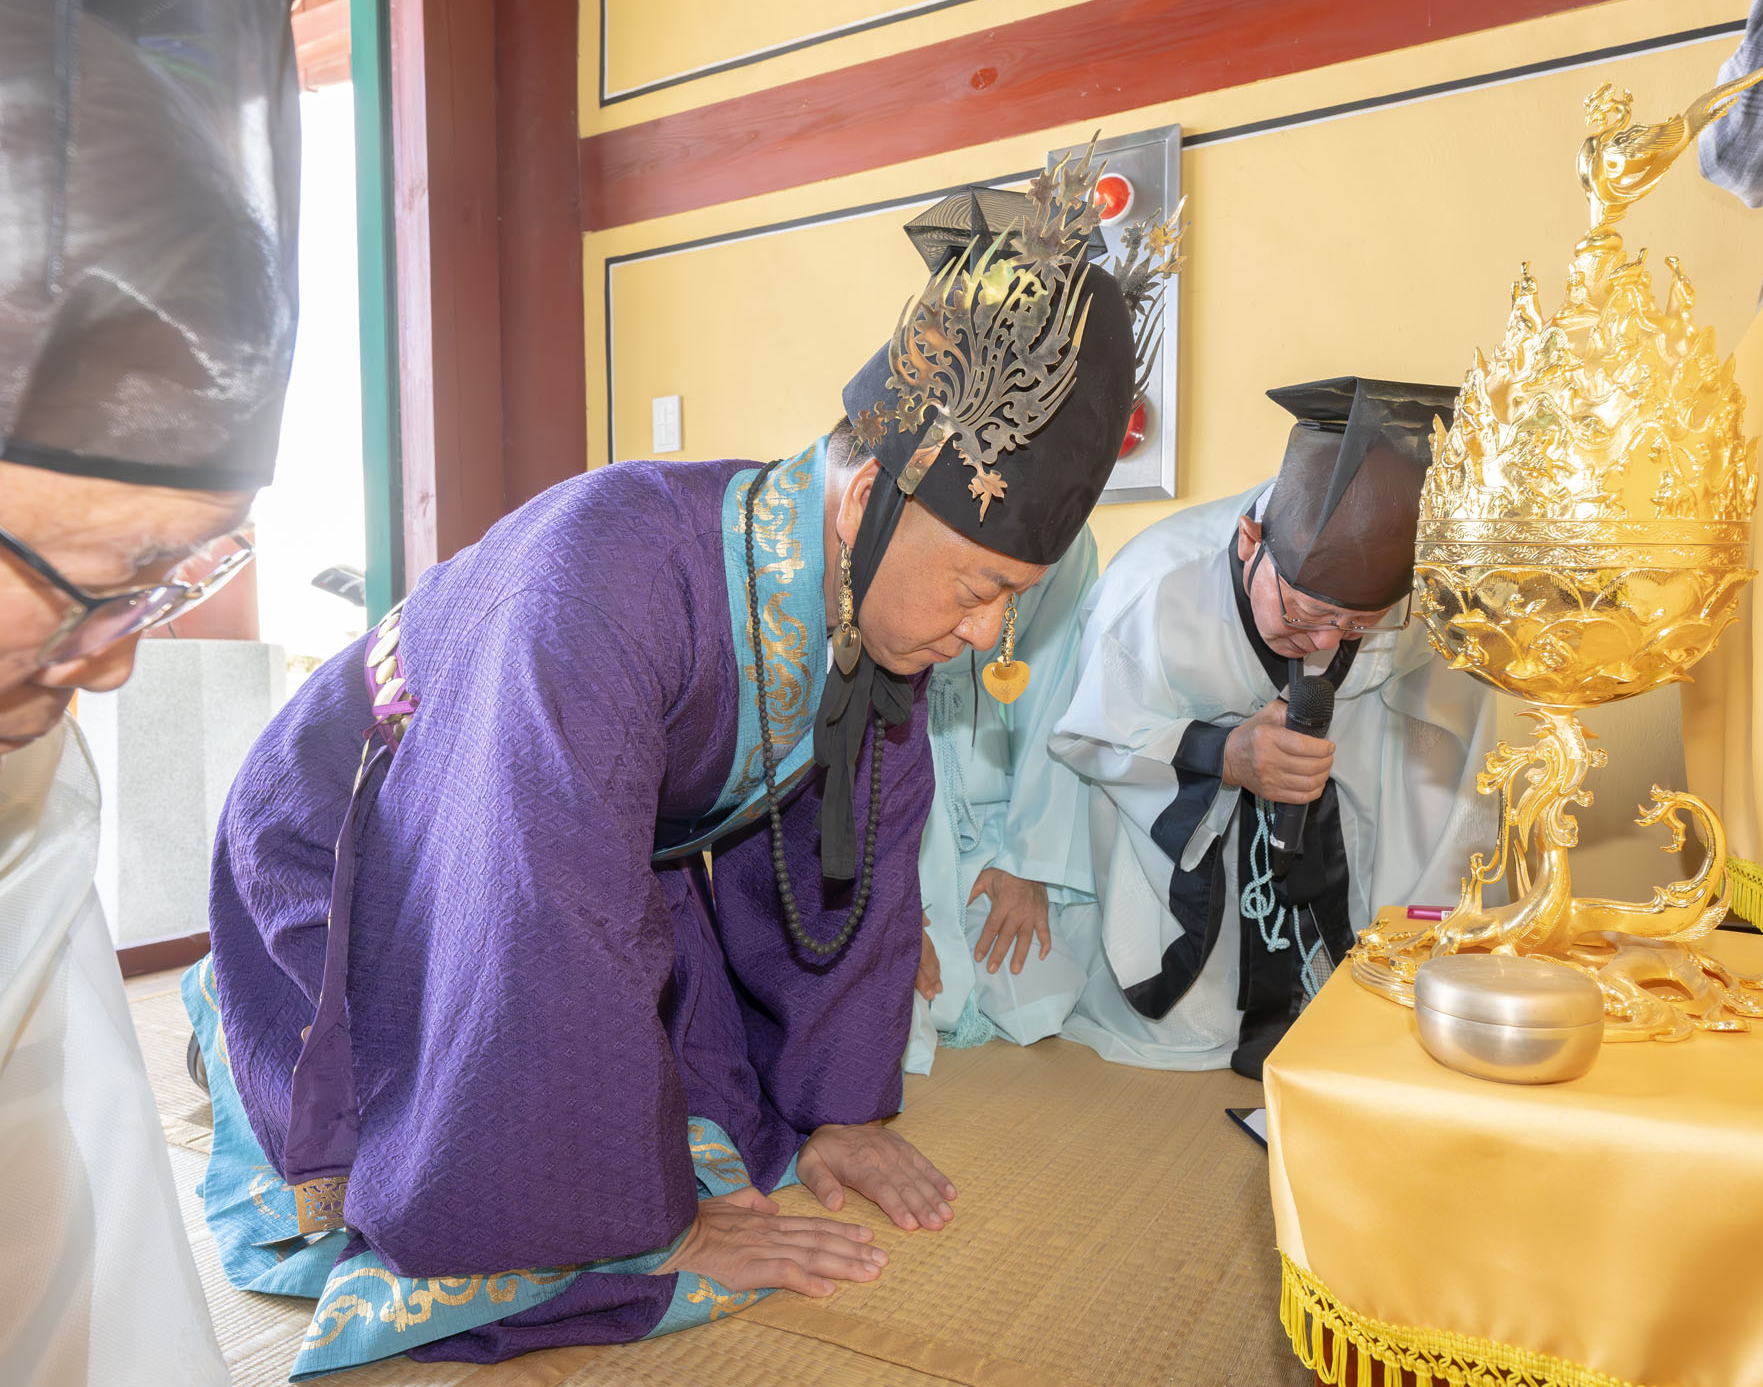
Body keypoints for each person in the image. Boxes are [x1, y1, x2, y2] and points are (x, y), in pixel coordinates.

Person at [187, 167, 1147, 1375]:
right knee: (460, 1153)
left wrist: (838, 1110)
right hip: (368, 825)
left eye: (1015, 598)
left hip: (556, 846)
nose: (991, 632)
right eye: (981, 586)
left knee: (727, 1108)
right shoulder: (606, 579)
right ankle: (233, 1020)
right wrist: (661, 1225)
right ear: (865, 502)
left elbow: (857, 863)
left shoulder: (867, 612)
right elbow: (549, 910)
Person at [0, 0, 301, 1384]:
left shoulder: (30, 753)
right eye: (101, 578)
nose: (114, 661)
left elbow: (53, 1227)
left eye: (166, 579)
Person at [1048, 377, 1501, 1076]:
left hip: (1354, 823)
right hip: (1207, 877)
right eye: (1305, 614)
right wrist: (1223, 754)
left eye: (1358, 624)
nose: (1326, 642)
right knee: (1197, 1023)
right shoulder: (1155, 588)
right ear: (1249, 541)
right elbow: (1094, 738)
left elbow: (1458, 742)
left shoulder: (1424, 598)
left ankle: (1366, 989)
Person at [906, 519, 1097, 1074]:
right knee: (887, 1028)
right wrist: (882, 907)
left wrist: (1026, 862)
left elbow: (1057, 693)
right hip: (889, 810)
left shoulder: (1066, 531)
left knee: (1043, 997)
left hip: (993, 811)